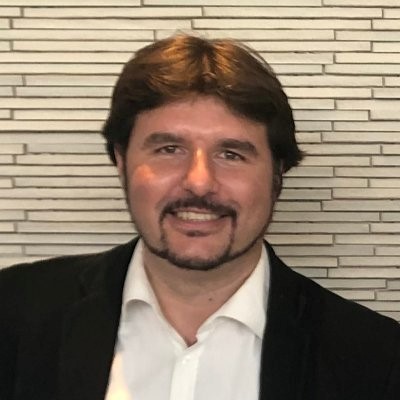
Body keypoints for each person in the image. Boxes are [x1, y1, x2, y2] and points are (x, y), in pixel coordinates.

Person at [0, 34, 399, 400]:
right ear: (122, 162)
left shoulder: (377, 360)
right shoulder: (13, 314)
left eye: (231, 154)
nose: (199, 182)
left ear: (277, 174)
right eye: (168, 149)